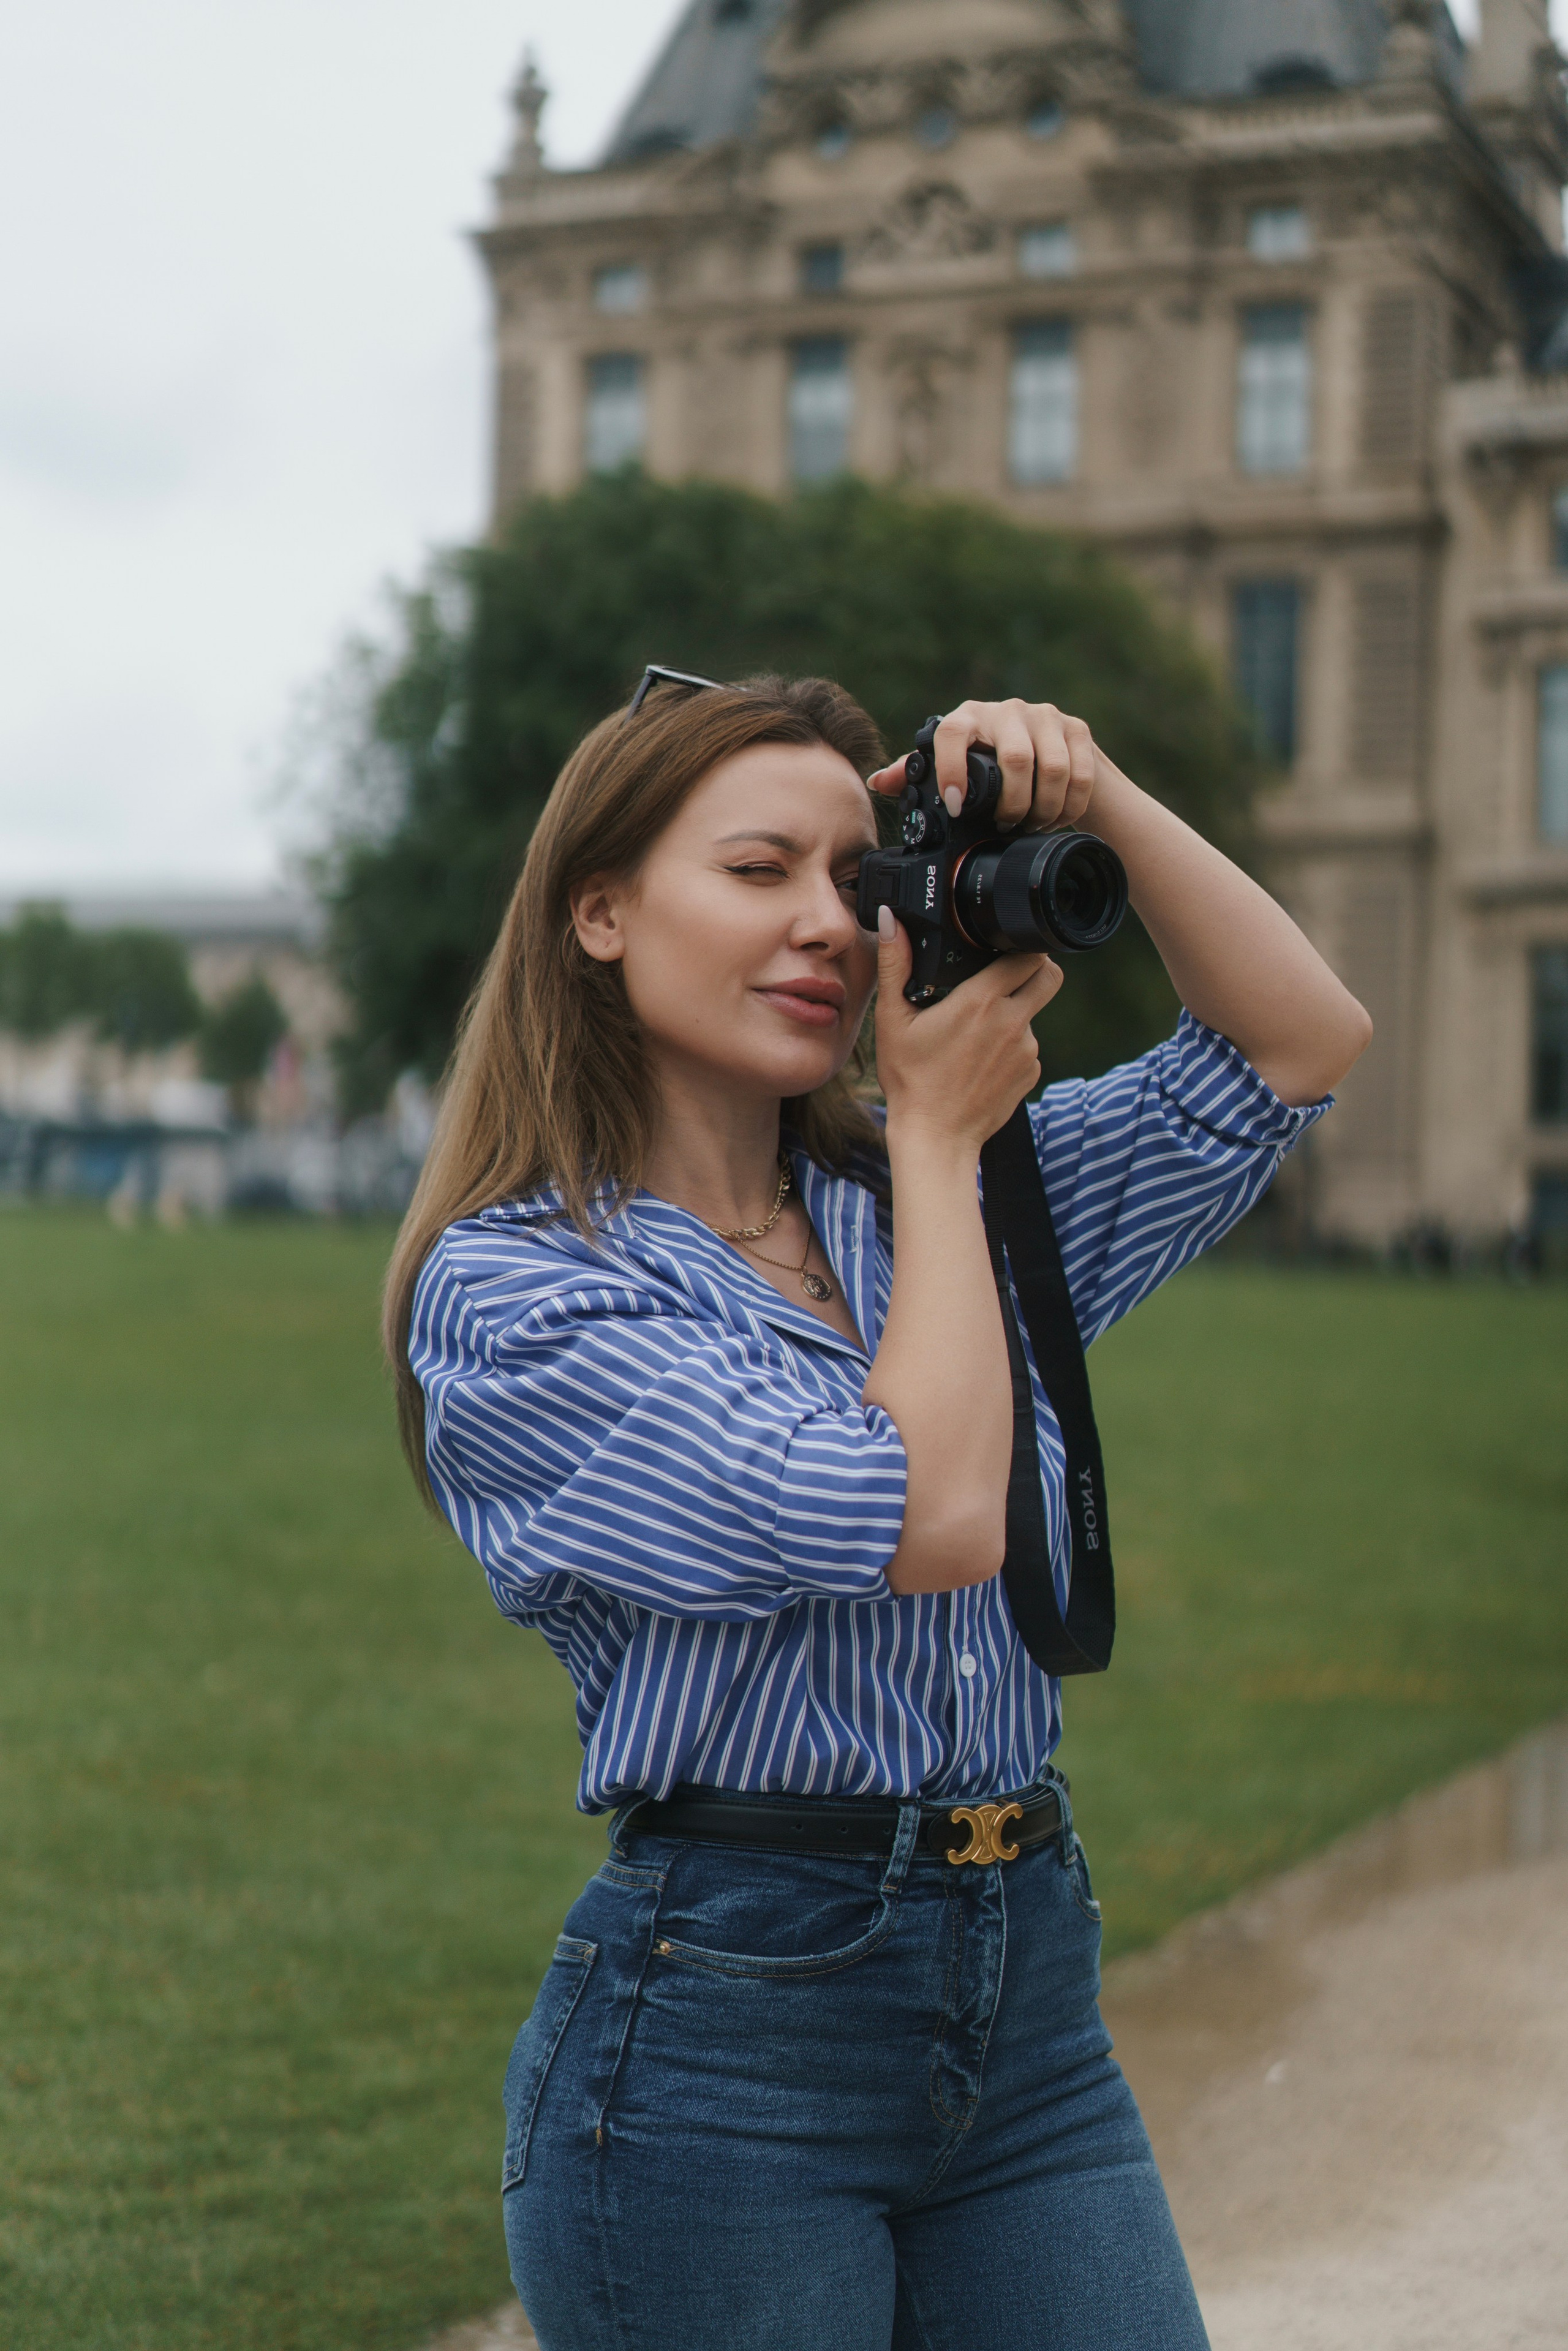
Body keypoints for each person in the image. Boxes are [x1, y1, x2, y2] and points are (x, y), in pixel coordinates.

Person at [385, 673, 1371, 2351]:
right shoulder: (520, 1289)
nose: (828, 927)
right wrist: (936, 1135)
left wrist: (1101, 793)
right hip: (724, 2053)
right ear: (601, 912)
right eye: (760, 872)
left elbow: (1294, 1043)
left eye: (859, 878)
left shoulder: (944, 1191)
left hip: (1029, 2005)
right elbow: (920, 1513)